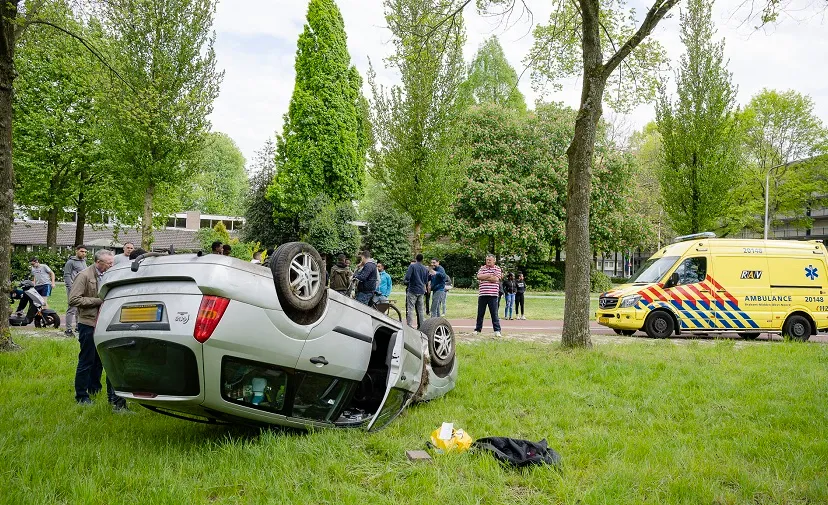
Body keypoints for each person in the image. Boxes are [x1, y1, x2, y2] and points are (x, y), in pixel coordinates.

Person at [68, 249, 128, 411]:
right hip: (88, 323)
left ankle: (94, 389)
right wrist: (98, 301)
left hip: (104, 323)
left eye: (112, 263)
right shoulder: (84, 275)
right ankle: (81, 395)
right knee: (86, 360)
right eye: (108, 263)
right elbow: (73, 299)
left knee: (99, 360)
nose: (111, 265)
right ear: (98, 262)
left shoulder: (109, 274)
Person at [474, 254, 503, 337]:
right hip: (483, 294)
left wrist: (484, 277)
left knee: (494, 313)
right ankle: (477, 329)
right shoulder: (482, 268)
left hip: (493, 295)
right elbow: (479, 276)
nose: (488, 261)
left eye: (490, 260)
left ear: (494, 260)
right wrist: (490, 275)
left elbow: (496, 279)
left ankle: (497, 330)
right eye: (487, 260)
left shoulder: (497, 268)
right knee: (480, 313)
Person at [63, 245, 88, 337]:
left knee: (80, 308)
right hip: (73, 288)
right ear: (76, 251)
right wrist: (71, 288)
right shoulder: (70, 262)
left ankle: (78, 327)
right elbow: (67, 275)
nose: (84, 253)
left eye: (85, 252)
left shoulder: (84, 262)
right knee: (72, 309)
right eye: (82, 251)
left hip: (82, 288)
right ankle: (68, 330)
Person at [403, 254, 428, 328]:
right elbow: (426, 281)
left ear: (416, 258)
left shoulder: (412, 266)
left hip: (413, 289)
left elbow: (407, 277)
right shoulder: (425, 268)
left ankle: (409, 325)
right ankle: (422, 325)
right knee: (420, 310)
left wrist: (408, 281)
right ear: (422, 259)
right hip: (421, 290)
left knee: (410, 308)